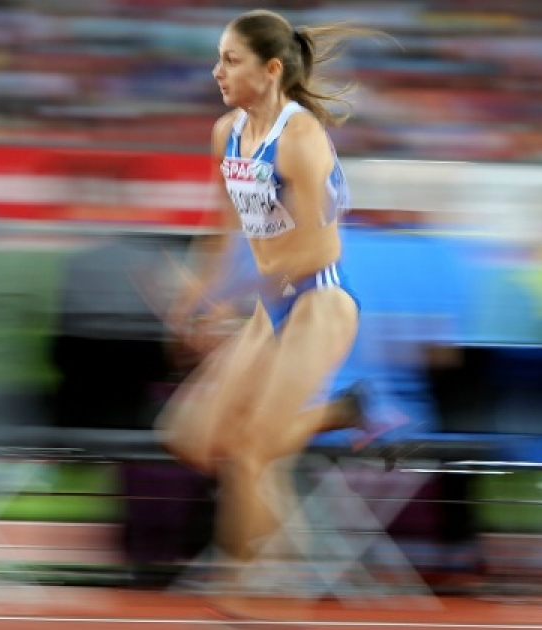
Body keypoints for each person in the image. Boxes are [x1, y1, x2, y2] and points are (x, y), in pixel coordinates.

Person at [156, 9, 393, 616]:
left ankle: (256, 591)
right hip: (271, 302)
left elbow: (319, 247)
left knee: (253, 454)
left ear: (269, 70)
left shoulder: (301, 136)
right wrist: (195, 295)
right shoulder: (226, 133)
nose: (216, 71)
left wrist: (233, 294)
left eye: (230, 60)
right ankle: (343, 412)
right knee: (192, 436)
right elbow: (221, 227)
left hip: (319, 300)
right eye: (218, 58)